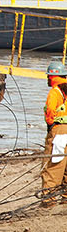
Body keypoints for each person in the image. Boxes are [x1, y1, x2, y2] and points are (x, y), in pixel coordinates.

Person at [41, 61, 67, 203]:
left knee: (53, 164)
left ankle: (48, 199)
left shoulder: (55, 92)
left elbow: (50, 113)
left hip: (60, 130)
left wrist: (50, 125)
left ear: (51, 77)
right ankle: (65, 196)